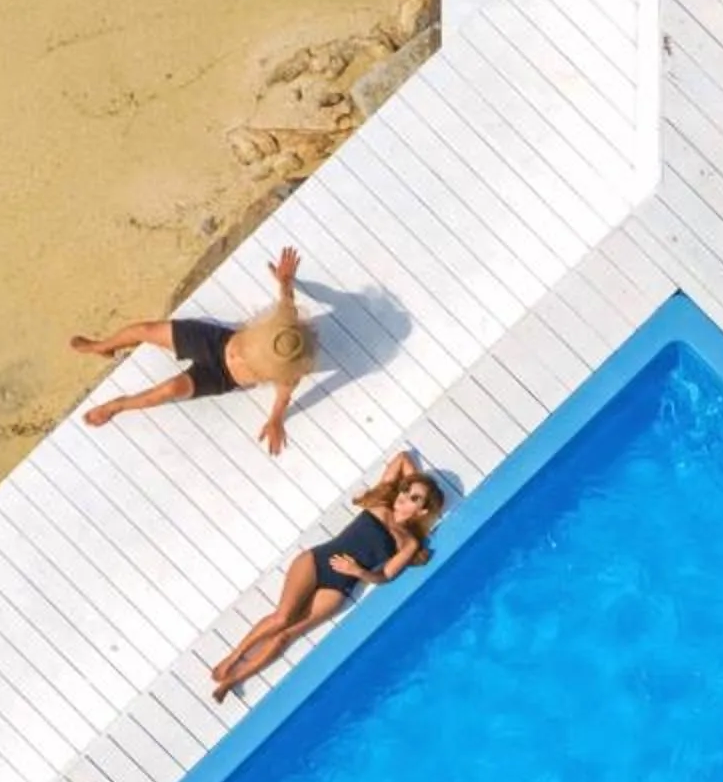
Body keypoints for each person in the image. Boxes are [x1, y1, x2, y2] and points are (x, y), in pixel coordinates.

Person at [209, 451, 444, 701]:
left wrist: (358, 572)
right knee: (282, 618)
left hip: (340, 585)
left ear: (422, 511)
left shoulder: (408, 543)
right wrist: (418, 484)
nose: (404, 497)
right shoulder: (381, 503)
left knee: (285, 636)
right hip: (317, 561)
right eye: (405, 491)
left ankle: (233, 681)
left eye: (414, 498)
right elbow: (403, 458)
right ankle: (233, 658)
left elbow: (385, 575)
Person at [71, 246, 318, 457]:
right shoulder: (287, 323)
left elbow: (283, 398)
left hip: (222, 377)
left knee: (169, 390)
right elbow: (287, 296)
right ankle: (101, 347)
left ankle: (118, 405)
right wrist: (285, 279)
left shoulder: (291, 371)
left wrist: (275, 420)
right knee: (145, 330)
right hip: (216, 342)